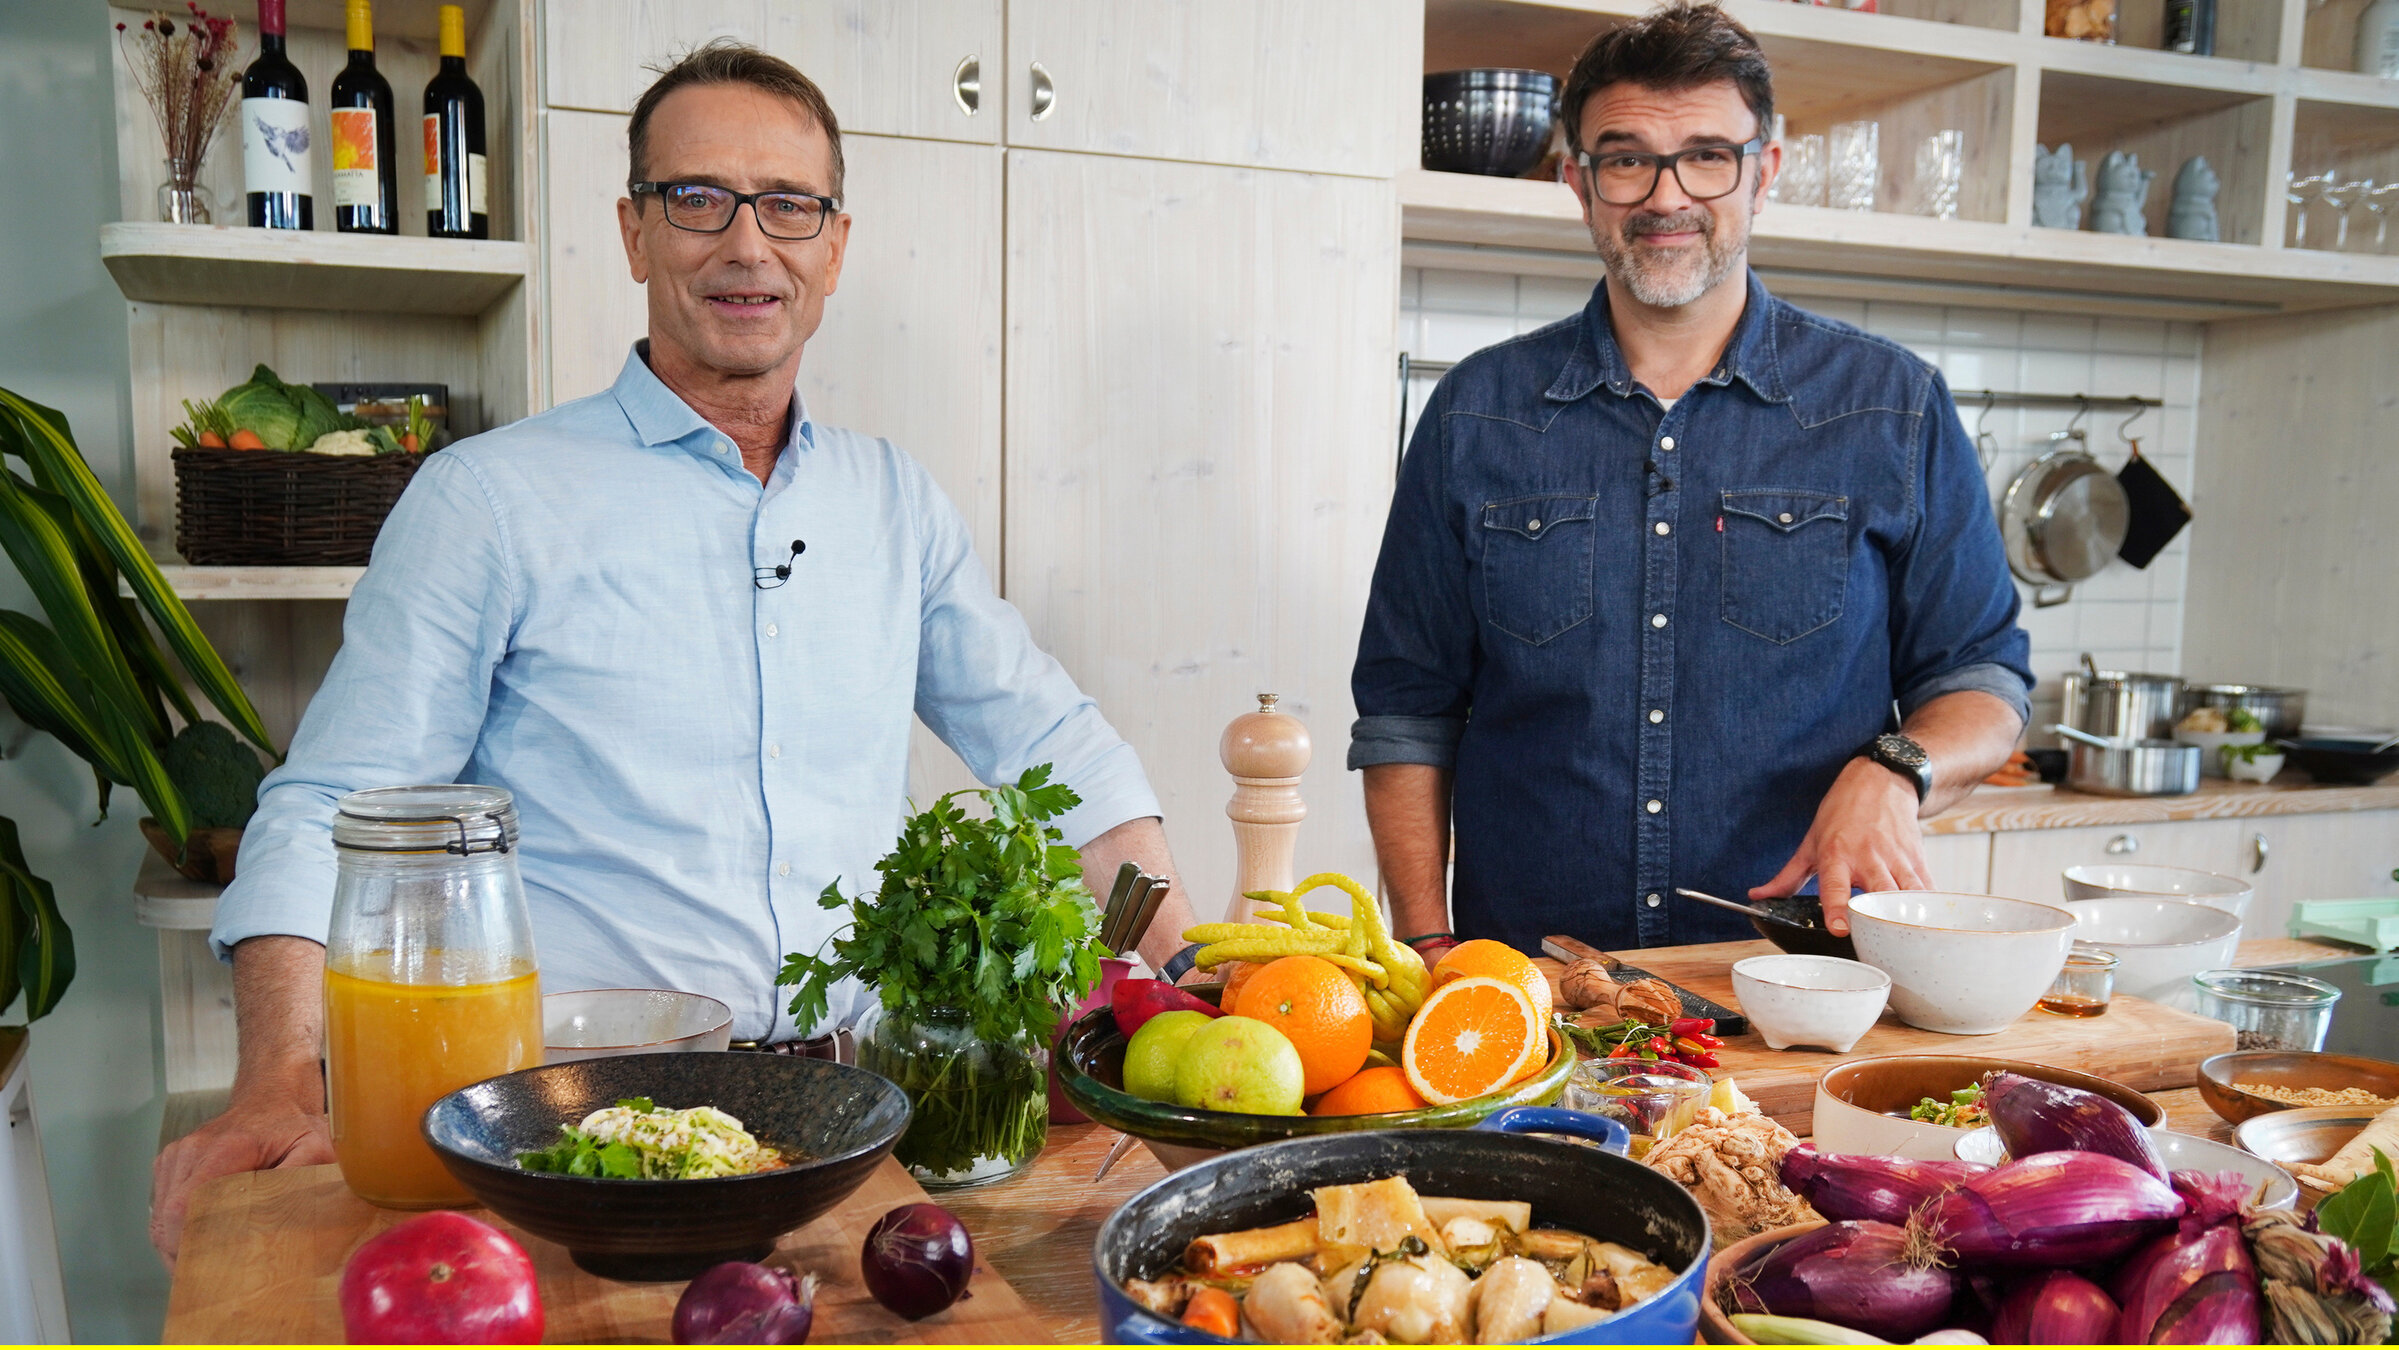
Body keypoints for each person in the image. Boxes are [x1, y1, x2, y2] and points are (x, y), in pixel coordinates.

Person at [148, 43, 1199, 1260]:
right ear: (634, 232)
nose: (747, 245)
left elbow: (1055, 747)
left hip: (859, 1129)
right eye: (698, 199)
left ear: (834, 247)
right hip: (584, 1138)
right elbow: (337, 805)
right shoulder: (487, 501)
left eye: (788, 205)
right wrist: (278, 1084)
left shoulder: (893, 503)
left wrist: (1185, 982)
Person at [1349, 2, 2031, 966]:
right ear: (1577, 183)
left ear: (1764, 171)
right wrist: (1424, 944)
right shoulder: (1476, 412)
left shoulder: (1891, 406)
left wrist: (1895, 766)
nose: (1665, 195)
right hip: (1535, 983)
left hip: (1799, 977)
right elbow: (1405, 713)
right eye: (1626, 159)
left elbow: (1982, 681)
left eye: (1707, 155)